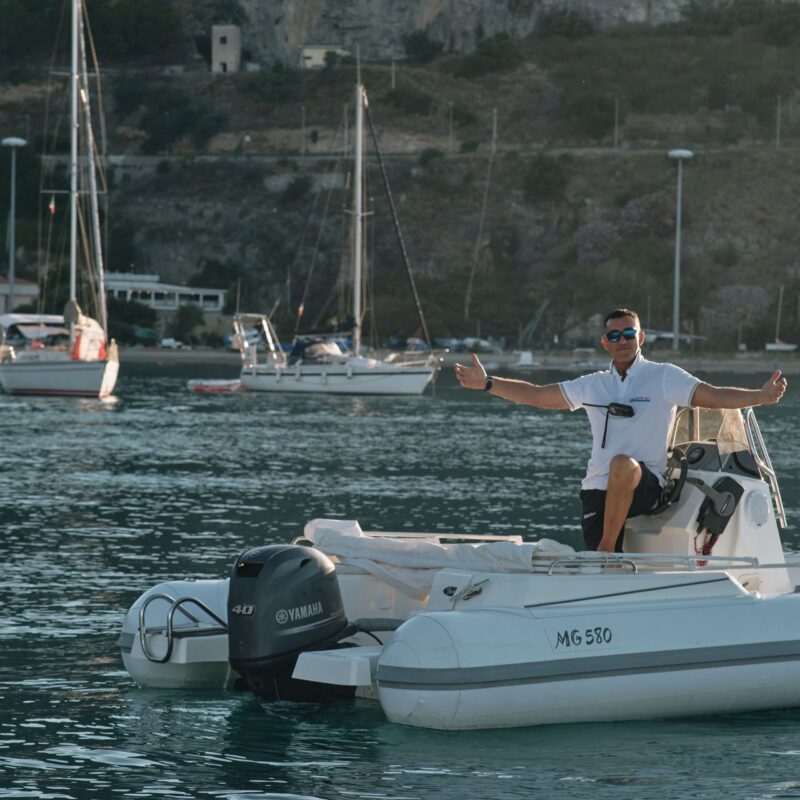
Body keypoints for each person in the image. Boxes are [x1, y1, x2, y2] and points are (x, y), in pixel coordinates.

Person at [455, 308, 787, 552]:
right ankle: (607, 564)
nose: (623, 340)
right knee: (604, 558)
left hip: (647, 484)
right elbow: (537, 394)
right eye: (615, 335)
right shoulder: (594, 385)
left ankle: (606, 548)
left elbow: (713, 396)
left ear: (640, 338)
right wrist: (486, 383)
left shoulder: (663, 376)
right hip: (597, 490)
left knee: (621, 467)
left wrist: (760, 396)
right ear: (605, 342)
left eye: (629, 333)